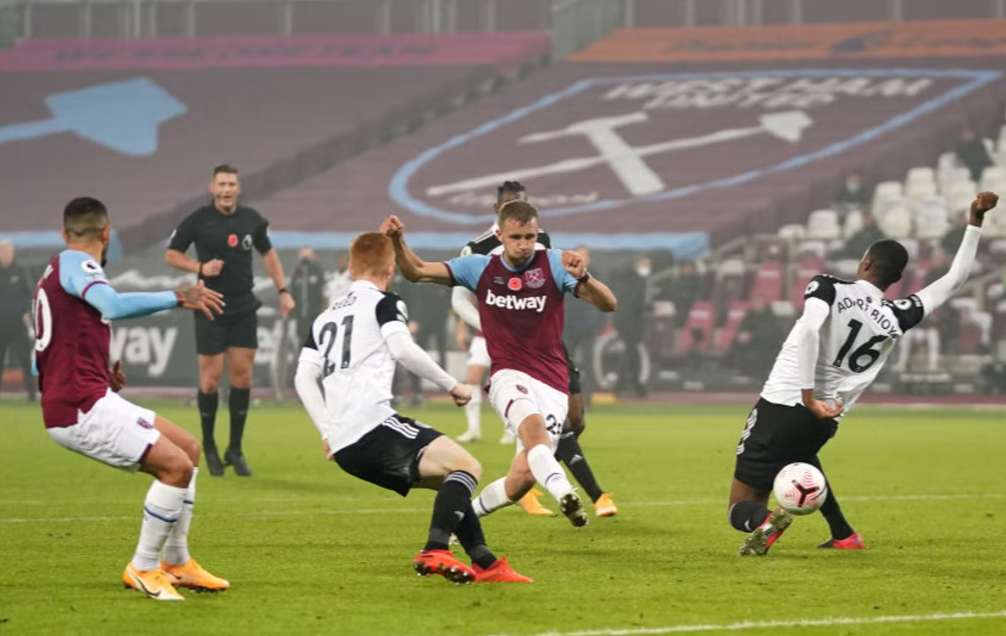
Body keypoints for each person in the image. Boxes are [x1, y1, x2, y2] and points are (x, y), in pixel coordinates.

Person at [728, 191, 998, 557]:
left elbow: (809, 330)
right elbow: (953, 281)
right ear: (896, 278)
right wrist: (975, 222)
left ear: (867, 262)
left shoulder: (827, 286)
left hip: (784, 403)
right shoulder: (896, 315)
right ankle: (844, 534)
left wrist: (807, 394)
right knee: (805, 457)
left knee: (739, 506)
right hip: (827, 419)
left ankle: (763, 522)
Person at [294, 232, 531, 584]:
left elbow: (303, 378)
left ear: (352, 268)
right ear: (390, 270)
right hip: (373, 425)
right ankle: (435, 548)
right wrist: (452, 385)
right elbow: (403, 350)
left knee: (451, 482)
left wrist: (327, 430)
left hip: (345, 445)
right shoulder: (385, 303)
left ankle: (484, 561)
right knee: (468, 466)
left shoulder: (324, 317)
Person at [34, 197, 229, 600]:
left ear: (63, 231)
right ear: (107, 235)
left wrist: (95, 372)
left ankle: (177, 562)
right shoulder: (77, 264)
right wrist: (179, 296)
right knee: (174, 467)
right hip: (79, 406)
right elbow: (113, 304)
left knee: (188, 450)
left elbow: (43, 361)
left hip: (89, 394)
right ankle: (143, 566)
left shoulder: (55, 272)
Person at [382, 201, 618, 528]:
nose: (524, 244)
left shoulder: (555, 263)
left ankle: (463, 519)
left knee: (521, 477)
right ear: (501, 235)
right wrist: (398, 242)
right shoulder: (479, 267)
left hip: (552, 380)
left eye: (530, 237)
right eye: (516, 237)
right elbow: (417, 271)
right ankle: (566, 492)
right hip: (508, 373)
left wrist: (586, 278)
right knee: (534, 433)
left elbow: (608, 304)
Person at [452, 181, 619, 518]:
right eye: (511, 205)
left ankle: (529, 476)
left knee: (575, 420)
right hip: (499, 340)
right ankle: (582, 492)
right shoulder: (475, 250)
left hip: (545, 345)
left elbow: (565, 288)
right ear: (497, 215)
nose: (521, 219)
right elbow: (458, 299)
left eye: (523, 205)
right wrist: (491, 325)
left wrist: (582, 280)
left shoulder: (542, 244)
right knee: (513, 409)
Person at [165, 164, 296, 477]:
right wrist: (199, 268)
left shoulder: (252, 220)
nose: (226, 190)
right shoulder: (198, 219)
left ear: (238, 188)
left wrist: (283, 289)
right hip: (209, 306)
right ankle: (209, 445)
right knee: (210, 380)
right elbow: (171, 255)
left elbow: (268, 254)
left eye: (231, 184)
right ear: (212, 187)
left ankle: (234, 448)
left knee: (242, 377)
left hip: (243, 307)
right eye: (221, 184)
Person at [563, 246, 605, 407]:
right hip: (567, 327)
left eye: (586, 255)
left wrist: (598, 323)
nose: (582, 258)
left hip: (588, 328)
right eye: (579, 254)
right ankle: (566, 400)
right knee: (566, 365)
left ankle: (586, 400)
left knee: (588, 365)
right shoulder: (563, 275)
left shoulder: (596, 276)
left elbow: (603, 299)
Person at [0, 240, 37, 402]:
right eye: (3, 252)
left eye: (8, 252)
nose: (6, 255)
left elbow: (31, 294)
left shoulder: (21, 271)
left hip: (18, 325)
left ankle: (31, 394)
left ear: (13, 253)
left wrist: (28, 312)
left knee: (25, 360)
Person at [612, 256, 651, 397]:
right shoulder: (635, 282)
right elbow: (634, 304)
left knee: (631, 355)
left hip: (627, 322)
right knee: (630, 355)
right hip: (630, 324)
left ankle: (633, 386)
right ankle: (628, 385)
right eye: (644, 264)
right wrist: (650, 307)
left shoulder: (626, 281)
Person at [728, 295, 784, 377]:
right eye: (755, 303)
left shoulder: (770, 315)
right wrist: (742, 334)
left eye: (759, 303)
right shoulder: (750, 314)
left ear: (764, 304)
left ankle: (758, 374)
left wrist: (751, 336)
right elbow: (743, 327)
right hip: (752, 341)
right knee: (737, 342)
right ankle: (741, 371)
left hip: (769, 342)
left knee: (762, 346)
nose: (756, 305)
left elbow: (769, 333)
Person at [290, 246, 326, 348]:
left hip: (314, 315)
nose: (305, 260)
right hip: (300, 316)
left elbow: (323, 293)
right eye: (303, 256)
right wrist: (293, 317)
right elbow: (293, 294)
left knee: (315, 342)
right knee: (301, 343)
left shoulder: (318, 271)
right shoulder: (297, 273)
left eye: (308, 256)